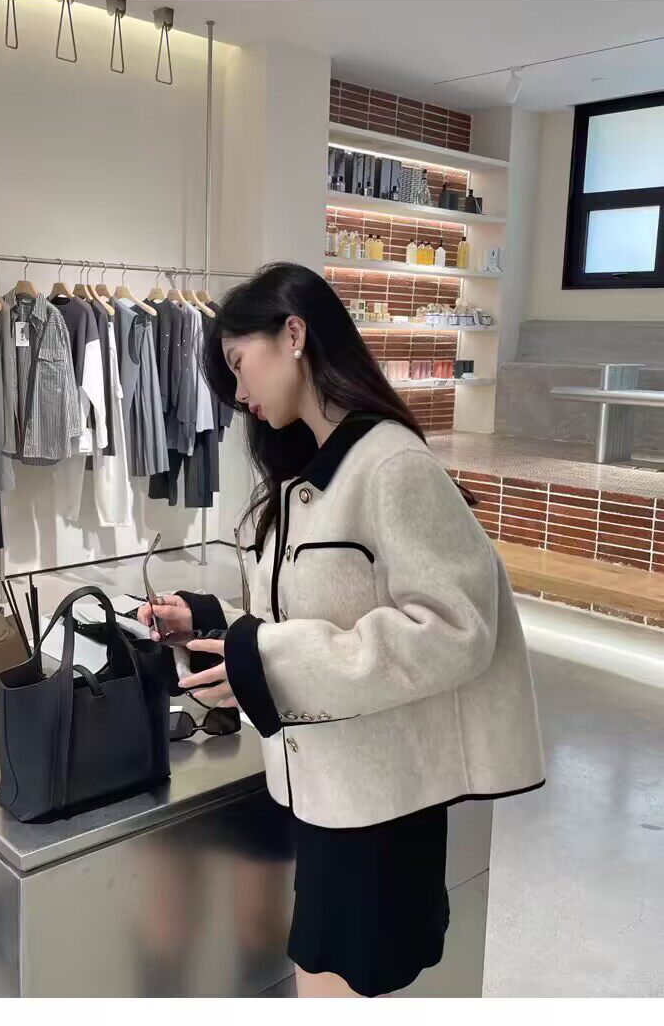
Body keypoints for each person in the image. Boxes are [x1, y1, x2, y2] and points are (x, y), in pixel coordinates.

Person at [139, 262, 546, 999]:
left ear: (293, 334)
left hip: (382, 807)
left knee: (331, 991)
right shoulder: (304, 476)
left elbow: (456, 629)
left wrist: (268, 659)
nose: (237, 392)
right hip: (328, 794)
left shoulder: (391, 465)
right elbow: (306, 623)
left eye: (238, 361)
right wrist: (208, 623)